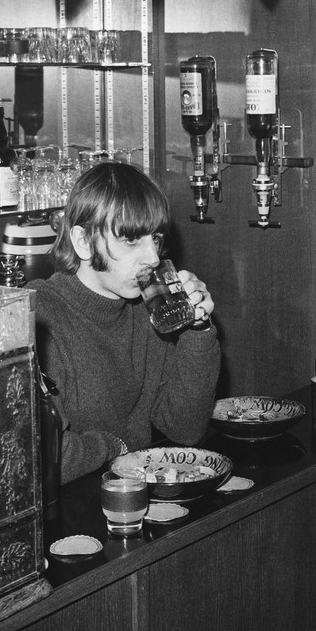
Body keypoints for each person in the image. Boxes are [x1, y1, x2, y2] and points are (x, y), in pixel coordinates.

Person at [29, 162, 221, 483]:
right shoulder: (39, 316)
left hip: (132, 498)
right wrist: (114, 447)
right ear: (83, 242)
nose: (153, 258)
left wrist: (197, 331)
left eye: (155, 238)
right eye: (131, 239)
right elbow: (43, 457)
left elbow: (185, 428)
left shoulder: (145, 308)